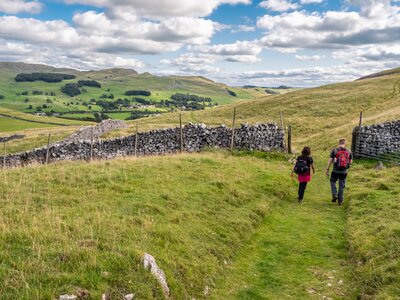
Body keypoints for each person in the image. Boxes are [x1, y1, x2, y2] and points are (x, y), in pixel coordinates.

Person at [325, 138, 353, 206]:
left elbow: (330, 160)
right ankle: (340, 201)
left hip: (335, 171)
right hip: (344, 172)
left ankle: (334, 194)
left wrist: (327, 169)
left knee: (332, 181)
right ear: (344, 143)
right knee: (341, 185)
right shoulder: (348, 151)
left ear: (339, 143)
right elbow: (351, 162)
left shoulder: (335, 150)